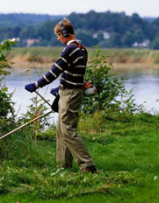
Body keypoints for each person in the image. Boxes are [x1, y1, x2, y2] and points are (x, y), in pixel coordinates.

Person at [24, 18, 97, 174]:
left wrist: (36, 85)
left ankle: (88, 166)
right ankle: (63, 167)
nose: (58, 39)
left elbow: (54, 72)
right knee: (61, 130)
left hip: (70, 95)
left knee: (68, 131)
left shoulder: (70, 49)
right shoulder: (81, 48)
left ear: (65, 33)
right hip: (69, 92)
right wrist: (59, 88)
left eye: (59, 35)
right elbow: (74, 74)